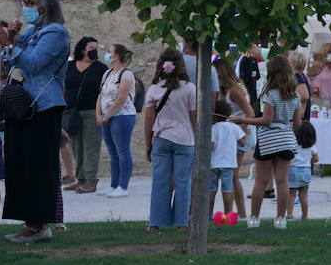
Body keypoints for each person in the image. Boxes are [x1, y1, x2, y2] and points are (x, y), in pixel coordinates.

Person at [0, 0, 69, 243]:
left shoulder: (55, 33)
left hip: (43, 107)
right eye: (23, 1)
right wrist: (9, 39)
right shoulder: (34, 31)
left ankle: (39, 224)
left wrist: (7, 43)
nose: (25, 7)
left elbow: (33, 63)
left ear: (44, 6)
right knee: (20, 164)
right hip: (24, 107)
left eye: (30, 2)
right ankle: (29, 222)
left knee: (38, 166)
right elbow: (14, 60)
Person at [235, 53, 304, 229]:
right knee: (282, 182)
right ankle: (280, 219)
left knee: (260, 181)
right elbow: (297, 124)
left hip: (267, 140)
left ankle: (254, 219)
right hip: (286, 140)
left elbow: (266, 120)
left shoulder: (269, 93)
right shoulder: (294, 96)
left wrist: (243, 120)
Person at [142, 48, 196, 231]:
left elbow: (149, 118)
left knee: (160, 182)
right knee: (183, 182)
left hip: (162, 137)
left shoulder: (154, 89)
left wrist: (148, 144)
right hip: (185, 139)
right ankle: (181, 222)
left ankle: (155, 222)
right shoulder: (189, 88)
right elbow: (193, 117)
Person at [63, 36, 108, 193]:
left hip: (91, 112)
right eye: (91, 48)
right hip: (72, 112)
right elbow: (64, 86)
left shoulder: (100, 68)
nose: (94, 50)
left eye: (95, 47)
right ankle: (80, 179)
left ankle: (90, 181)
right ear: (82, 49)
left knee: (91, 147)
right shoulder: (69, 66)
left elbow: (105, 91)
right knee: (77, 147)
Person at [213, 57, 255, 216]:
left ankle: (242, 213)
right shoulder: (221, 91)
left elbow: (250, 113)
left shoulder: (234, 91)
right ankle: (237, 212)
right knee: (231, 176)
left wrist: (237, 131)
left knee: (233, 176)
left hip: (240, 134)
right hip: (230, 134)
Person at [96, 44, 138, 198]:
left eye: (109, 52)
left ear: (117, 56)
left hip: (122, 116)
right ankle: (113, 184)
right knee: (112, 151)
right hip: (106, 117)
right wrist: (98, 114)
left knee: (123, 150)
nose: (107, 54)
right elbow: (101, 95)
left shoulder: (126, 75)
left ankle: (123, 186)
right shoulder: (107, 73)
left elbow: (121, 99)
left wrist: (107, 115)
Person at [208, 98, 246, 217]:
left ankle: (208, 215)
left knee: (211, 190)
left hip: (213, 164)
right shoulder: (233, 127)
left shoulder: (212, 128)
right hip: (229, 164)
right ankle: (228, 214)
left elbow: (211, 145)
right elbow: (243, 143)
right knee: (227, 190)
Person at [288, 122, 317, 221]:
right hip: (306, 170)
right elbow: (316, 158)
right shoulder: (311, 146)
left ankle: (289, 214)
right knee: (303, 196)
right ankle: (304, 216)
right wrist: (309, 161)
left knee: (291, 195)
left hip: (293, 169)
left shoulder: (293, 145)